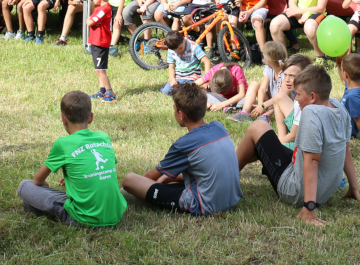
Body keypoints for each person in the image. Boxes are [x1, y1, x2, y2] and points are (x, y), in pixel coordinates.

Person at [235, 66, 360, 227]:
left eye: (298, 94)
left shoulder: (311, 113)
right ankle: (236, 163)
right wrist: (354, 188)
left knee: (257, 127)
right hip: (325, 191)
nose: (296, 99)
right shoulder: (338, 106)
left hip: (295, 191)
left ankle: (226, 176)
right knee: (263, 143)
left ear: (312, 97)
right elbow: (345, 149)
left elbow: (312, 161)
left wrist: (309, 207)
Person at [122, 83, 242, 215]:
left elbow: (150, 177)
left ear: (181, 114)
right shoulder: (219, 127)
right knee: (168, 179)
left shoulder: (185, 144)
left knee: (130, 180)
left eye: (174, 109)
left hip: (206, 205)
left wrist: (141, 187)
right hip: (232, 199)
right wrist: (167, 178)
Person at [18, 91, 126, 226]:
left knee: (25, 185)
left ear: (63, 118)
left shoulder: (62, 144)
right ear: (91, 117)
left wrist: (44, 186)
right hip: (115, 214)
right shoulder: (104, 137)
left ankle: (37, 208)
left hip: (82, 218)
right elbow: (98, 170)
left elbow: (37, 180)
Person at [258, 54, 311, 149]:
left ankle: (281, 144)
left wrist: (277, 144)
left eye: (292, 76)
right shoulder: (301, 95)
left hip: (303, 146)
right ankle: (281, 139)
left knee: (265, 147)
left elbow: (294, 135)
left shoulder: (304, 101)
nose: (286, 80)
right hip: (300, 136)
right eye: (285, 75)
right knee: (278, 97)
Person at [228, 41, 287, 123]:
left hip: (283, 101)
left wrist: (264, 106)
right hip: (270, 99)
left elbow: (281, 97)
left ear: (268, 59)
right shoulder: (268, 68)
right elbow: (262, 89)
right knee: (254, 84)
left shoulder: (286, 73)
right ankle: (244, 113)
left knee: (277, 102)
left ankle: (266, 116)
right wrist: (260, 104)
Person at [86, 0, 117, 102]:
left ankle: (110, 93)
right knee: (99, 68)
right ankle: (102, 91)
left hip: (101, 42)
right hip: (96, 41)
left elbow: (89, 22)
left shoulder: (104, 9)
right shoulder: (99, 8)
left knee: (100, 70)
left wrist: (90, 20)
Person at [161, 30, 211, 95]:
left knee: (191, 91)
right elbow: (171, 67)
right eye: (176, 51)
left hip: (193, 79)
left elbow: (207, 62)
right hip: (179, 79)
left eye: (180, 48)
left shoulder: (194, 46)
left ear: (183, 39)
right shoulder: (171, 50)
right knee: (165, 91)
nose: (179, 51)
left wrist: (206, 80)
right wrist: (172, 79)